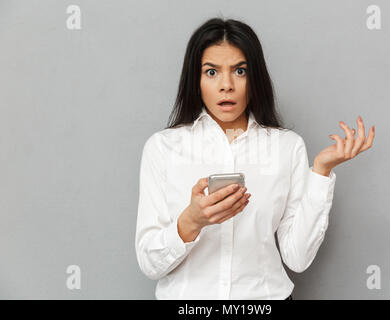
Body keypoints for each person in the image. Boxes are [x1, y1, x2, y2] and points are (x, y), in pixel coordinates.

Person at [135, 17, 375, 300]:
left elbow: (297, 258)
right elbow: (150, 263)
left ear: (254, 77)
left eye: (239, 71)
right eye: (211, 72)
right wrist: (192, 220)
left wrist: (321, 171)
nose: (226, 85)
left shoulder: (287, 147)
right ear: (195, 80)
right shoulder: (163, 148)